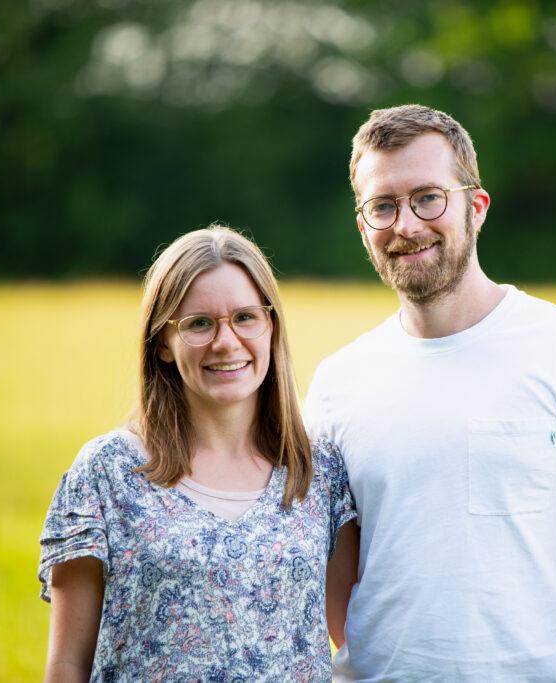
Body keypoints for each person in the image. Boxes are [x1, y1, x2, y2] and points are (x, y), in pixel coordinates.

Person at [304, 105, 556, 682]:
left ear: (475, 208)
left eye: (428, 197)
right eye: (383, 206)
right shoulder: (336, 382)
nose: (406, 225)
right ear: (363, 226)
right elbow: (335, 573)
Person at [38, 225, 356, 681]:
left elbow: (354, 636)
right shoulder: (106, 474)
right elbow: (67, 663)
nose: (226, 342)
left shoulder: (317, 472)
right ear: (163, 343)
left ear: (271, 327)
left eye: (246, 317)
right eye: (199, 324)